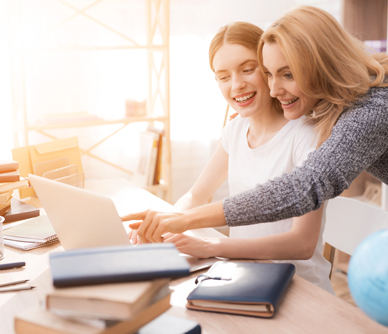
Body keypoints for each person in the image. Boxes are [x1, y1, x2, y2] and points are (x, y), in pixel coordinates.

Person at [123, 6, 388, 246]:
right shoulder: (345, 90)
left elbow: (305, 188)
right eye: (270, 74)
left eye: (287, 74)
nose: (273, 89)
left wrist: (185, 220)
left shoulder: (376, 107)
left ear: (323, 64)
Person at [129, 22, 333, 293]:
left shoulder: (304, 135)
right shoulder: (236, 130)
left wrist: (213, 246)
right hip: (243, 276)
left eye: (248, 69)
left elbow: (302, 244)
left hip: (300, 289)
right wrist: (164, 223)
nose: (237, 85)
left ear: (269, 68)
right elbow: (195, 196)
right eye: (223, 76)